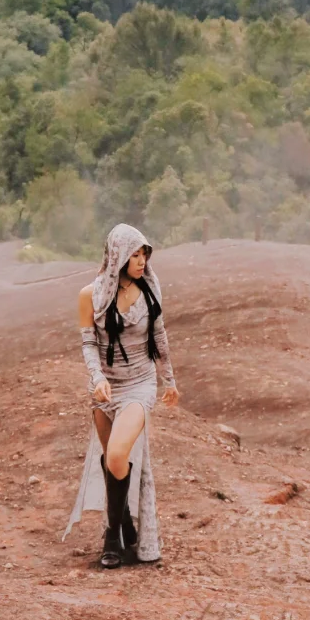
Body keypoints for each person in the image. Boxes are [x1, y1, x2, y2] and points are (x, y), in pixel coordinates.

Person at [62, 223, 178, 567]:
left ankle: (112, 537)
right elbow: (88, 342)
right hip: (105, 389)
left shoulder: (150, 290)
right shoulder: (90, 295)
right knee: (113, 460)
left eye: (144, 254)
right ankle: (125, 523)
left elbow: (160, 337)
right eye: (135, 255)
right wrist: (96, 378)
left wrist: (168, 381)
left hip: (139, 385)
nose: (142, 261)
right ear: (118, 257)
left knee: (115, 456)